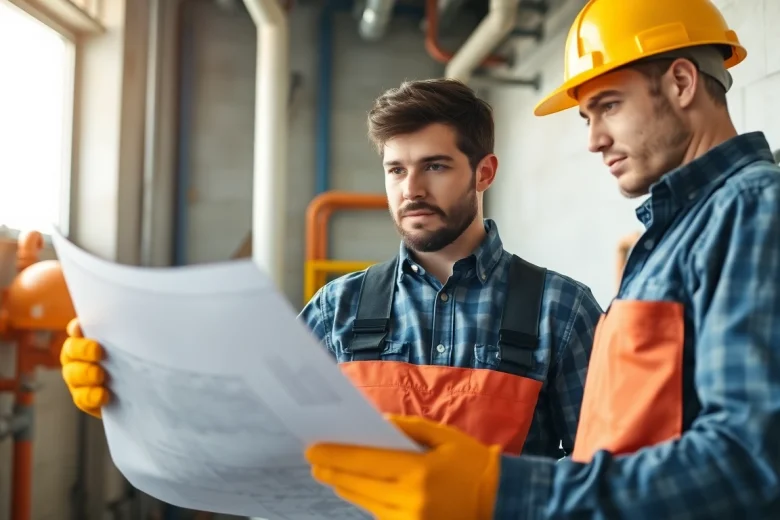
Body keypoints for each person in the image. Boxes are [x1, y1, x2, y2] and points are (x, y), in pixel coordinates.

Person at [302, 1, 780, 519]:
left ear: (682, 82)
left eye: (610, 106)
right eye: (587, 116)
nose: (594, 140)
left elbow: (752, 460)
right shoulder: (678, 233)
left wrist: (496, 489)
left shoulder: (750, 210)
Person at [60, 79, 603, 462]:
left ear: (483, 172)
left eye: (434, 166)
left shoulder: (563, 309)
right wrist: (127, 390)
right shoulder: (336, 310)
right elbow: (258, 431)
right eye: (396, 170)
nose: (410, 190)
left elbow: (608, 472)